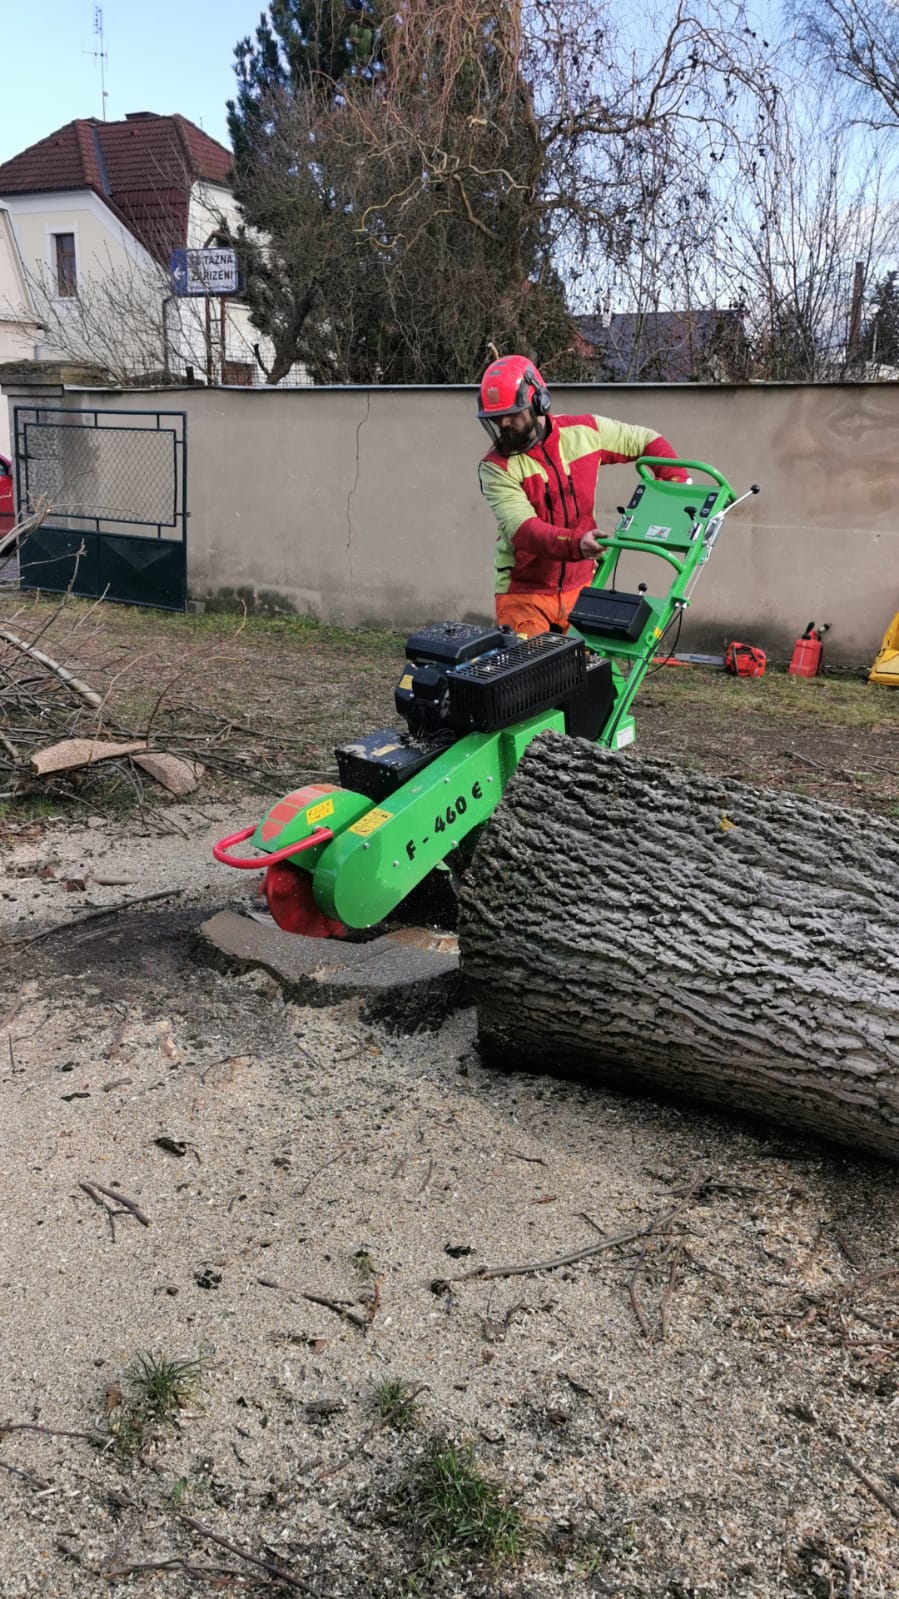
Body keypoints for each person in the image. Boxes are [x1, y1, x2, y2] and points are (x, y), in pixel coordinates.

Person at [477, 353, 687, 638]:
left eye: (512, 414)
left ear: (540, 401)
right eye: (495, 418)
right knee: (530, 676)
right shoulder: (495, 467)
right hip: (524, 592)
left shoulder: (584, 431)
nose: (503, 424)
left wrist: (678, 485)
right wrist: (577, 542)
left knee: (592, 676)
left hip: (582, 586)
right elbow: (523, 530)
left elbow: (646, 440)